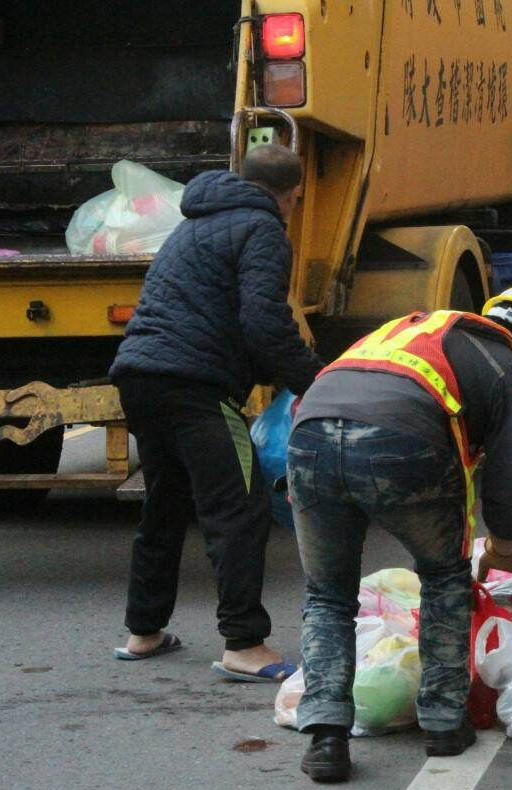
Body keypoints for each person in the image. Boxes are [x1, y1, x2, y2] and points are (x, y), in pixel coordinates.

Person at [287, 285, 512, 783]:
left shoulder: (412, 329)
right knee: (442, 577)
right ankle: (442, 719)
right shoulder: (506, 362)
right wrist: (504, 545)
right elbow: (511, 479)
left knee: (328, 594)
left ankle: (327, 735)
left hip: (308, 435)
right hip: (400, 436)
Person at [108, 144, 324, 682]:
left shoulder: (195, 223)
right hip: (193, 385)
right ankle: (244, 644)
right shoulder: (263, 230)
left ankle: (144, 630)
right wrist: (320, 384)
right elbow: (265, 324)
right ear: (293, 194)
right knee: (241, 504)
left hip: (139, 375)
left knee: (167, 500)